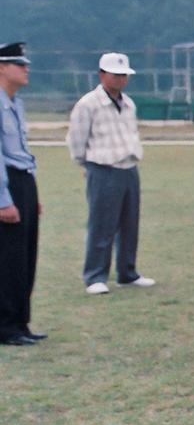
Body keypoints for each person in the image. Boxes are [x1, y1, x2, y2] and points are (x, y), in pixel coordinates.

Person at [66, 52, 153, 295]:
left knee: (129, 223)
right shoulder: (88, 104)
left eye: (124, 75)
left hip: (129, 167)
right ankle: (95, 275)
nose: (121, 79)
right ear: (102, 74)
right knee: (102, 224)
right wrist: (87, 165)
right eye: (116, 75)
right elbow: (76, 139)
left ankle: (127, 272)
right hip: (103, 168)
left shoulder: (129, 103)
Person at [0, 42, 45, 346]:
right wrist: (4, 201)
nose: (26, 68)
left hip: (24, 181)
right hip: (6, 184)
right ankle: (6, 326)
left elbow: (22, 151)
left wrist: (32, 194)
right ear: (2, 67)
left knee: (27, 255)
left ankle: (21, 322)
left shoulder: (15, 102)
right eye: (20, 63)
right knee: (9, 260)